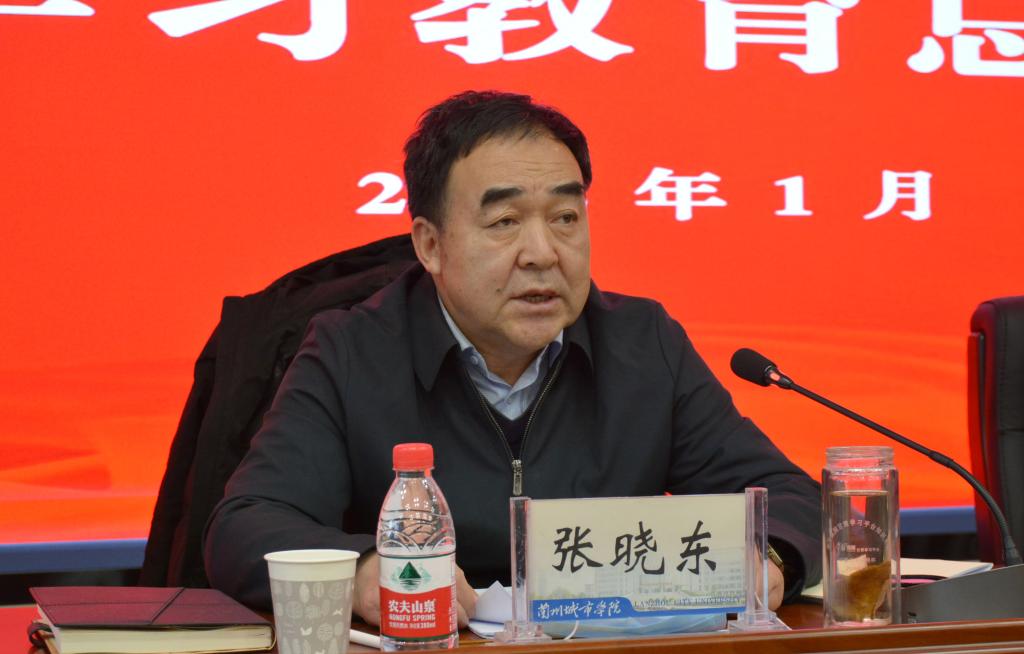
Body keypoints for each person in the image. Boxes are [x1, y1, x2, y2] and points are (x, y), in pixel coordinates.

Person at [204, 90, 822, 627]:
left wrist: (770, 559)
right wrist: (368, 571)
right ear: (430, 245)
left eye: (565, 217)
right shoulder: (351, 352)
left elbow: (791, 497)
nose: (542, 253)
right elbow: (247, 525)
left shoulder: (642, 344)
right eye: (504, 221)